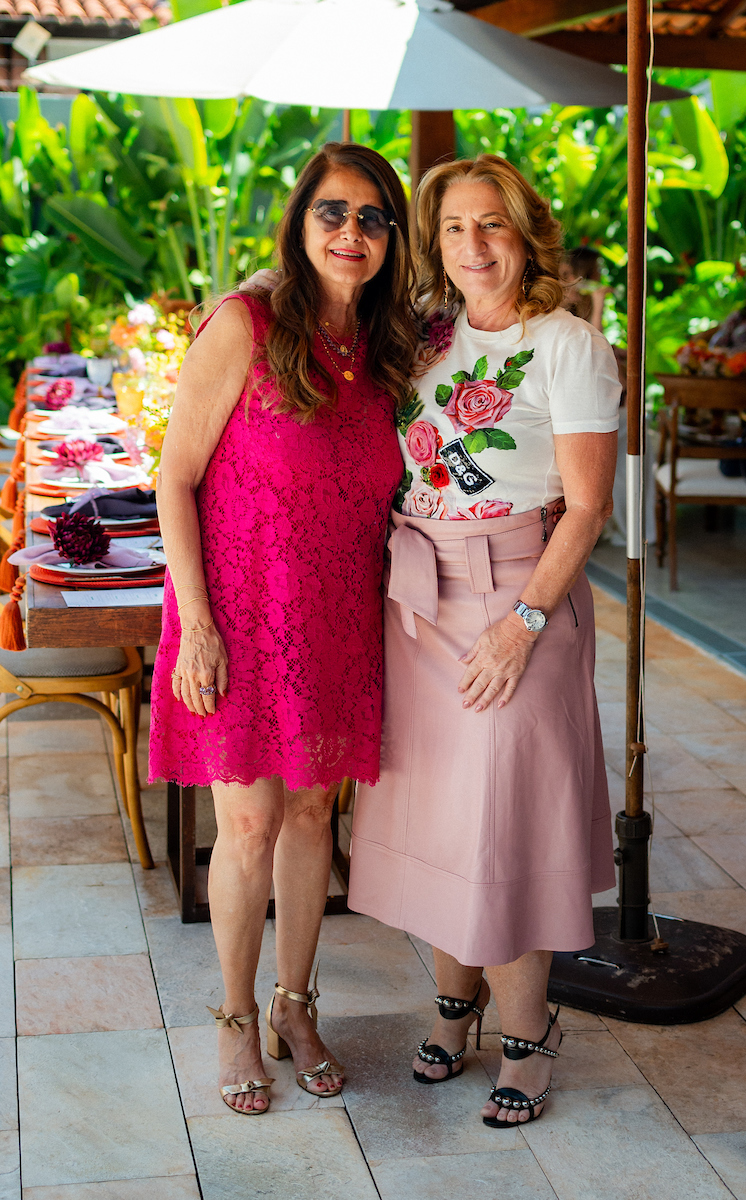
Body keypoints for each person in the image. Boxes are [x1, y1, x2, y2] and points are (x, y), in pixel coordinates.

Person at [347, 155, 620, 1127]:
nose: (474, 247)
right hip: (420, 600)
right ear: (434, 242)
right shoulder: (423, 338)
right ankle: (455, 1009)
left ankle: (530, 1030)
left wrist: (524, 625)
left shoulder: (569, 346)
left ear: (525, 231)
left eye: (492, 224)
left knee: (506, 816)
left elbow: (587, 508)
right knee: (447, 819)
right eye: (455, 228)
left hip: (520, 597)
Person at [149, 143, 416, 1114]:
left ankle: (296, 1006)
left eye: (374, 217)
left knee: (313, 819)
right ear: (300, 223)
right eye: (334, 213)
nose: (353, 233)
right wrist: (200, 628)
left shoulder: (389, 348)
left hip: (340, 614)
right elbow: (174, 478)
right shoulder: (246, 323)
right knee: (250, 824)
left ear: (392, 238)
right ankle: (231, 1019)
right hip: (237, 612)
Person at [559, 246, 609, 332]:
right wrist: (598, 309)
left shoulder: (582, 302)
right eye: (565, 275)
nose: (574, 280)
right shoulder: (558, 311)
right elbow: (595, 343)